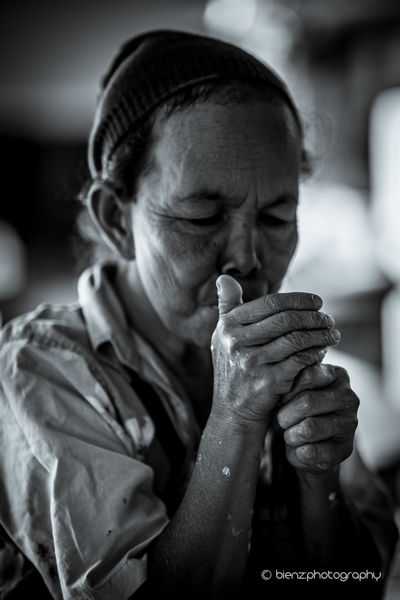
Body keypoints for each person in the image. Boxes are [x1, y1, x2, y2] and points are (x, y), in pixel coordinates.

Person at [0, 30, 397, 600]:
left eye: (277, 218)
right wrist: (236, 419)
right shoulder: (39, 372)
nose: (248, 259)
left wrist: (319, 480)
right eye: (202, 217)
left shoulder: (283, 365)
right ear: (116, 219)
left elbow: (355, 581)